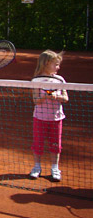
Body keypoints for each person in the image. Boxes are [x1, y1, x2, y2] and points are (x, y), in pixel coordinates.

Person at [29, 50, 69, 181]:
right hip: (39, 118)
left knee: (55, 144)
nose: (58, 67)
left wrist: (57, 96)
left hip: (56, 118)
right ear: (46, 64)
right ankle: (37, 167)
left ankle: (55, 168)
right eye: (55, 64)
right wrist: (44, 97)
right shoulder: (36, 80)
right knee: (38, 143)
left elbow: (65, 98)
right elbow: (35, 100)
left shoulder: (60, 79)